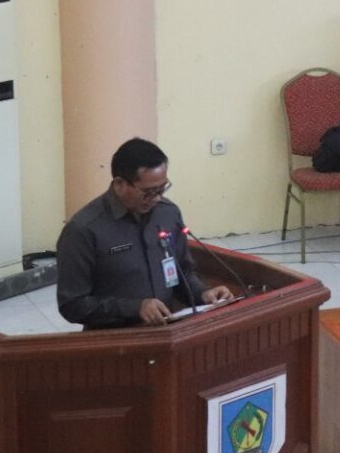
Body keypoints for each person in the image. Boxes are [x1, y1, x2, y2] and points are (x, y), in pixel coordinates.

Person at [56, 138, 234, 330]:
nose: (156, 198)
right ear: (119, 184)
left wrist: (203, 293)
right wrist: (135, 308)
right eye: (148, 192)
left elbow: (182, 272)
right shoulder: (83, 229)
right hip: (116, 339)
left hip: (168, 333)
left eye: (161, 188)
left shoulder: (168, 213)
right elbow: (72, 304)